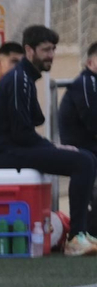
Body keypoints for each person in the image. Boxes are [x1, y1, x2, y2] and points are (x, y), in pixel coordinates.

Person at [0, 26, 97, 256]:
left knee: (86, 157)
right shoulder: (19, 79)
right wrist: (53, 147)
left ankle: (81, 232)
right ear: (29, 50)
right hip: (5, 153)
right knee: (83, 162)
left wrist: (52, 147)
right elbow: (21, 134)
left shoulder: (25, 78)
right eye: (46, 50)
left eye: (53, 49)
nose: (51, 55)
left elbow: (31, 123)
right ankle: (75, 237)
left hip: (14, 148)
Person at [57, 41, 97, 254]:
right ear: (90, 62)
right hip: (82, 148)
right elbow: (92, 120)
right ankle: (84, 231)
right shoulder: (87, 82)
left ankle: (88, 230)